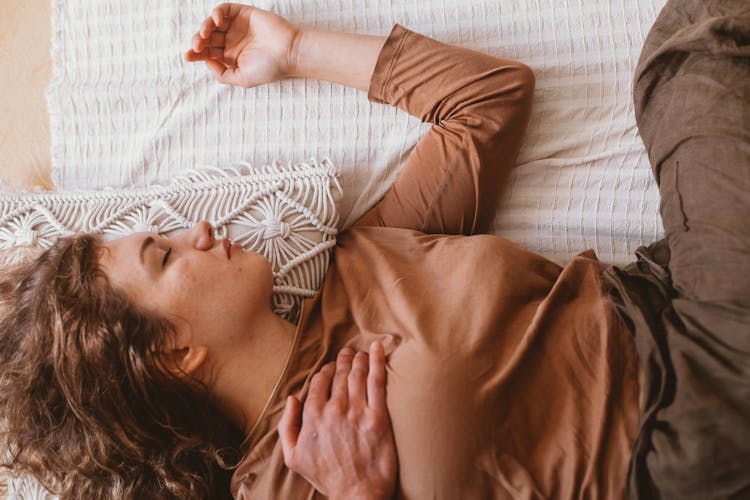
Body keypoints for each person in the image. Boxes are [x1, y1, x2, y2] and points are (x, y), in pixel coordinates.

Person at [0, 1, 747, 499]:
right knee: (696, 47)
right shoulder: (281, 486)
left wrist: (290, 50)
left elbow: (487, 101)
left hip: (671, 299)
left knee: (691, 44)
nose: (197, 229)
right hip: (680, 438)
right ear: (172, 355)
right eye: (164, 256)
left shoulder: (365, 257)